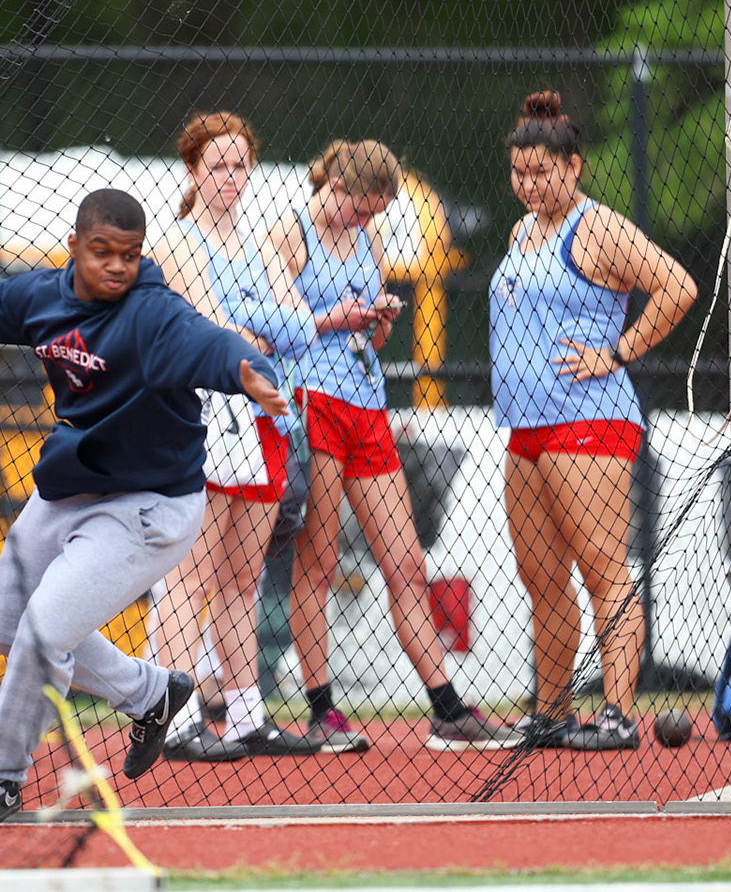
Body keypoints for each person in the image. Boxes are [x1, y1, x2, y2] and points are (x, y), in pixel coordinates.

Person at [0, 188, 290, 822]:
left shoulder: (152, 314)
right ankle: (150, 692)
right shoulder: (41, 298)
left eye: (129, 255)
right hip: (68, 491)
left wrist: (250, 371)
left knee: (43, 634)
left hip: (148, 507)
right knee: (2, 630)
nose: (117, 267)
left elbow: (209, 343)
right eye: (102, 253)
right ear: (74, 248)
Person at [269, 140, 511, 753]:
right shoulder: (289, 233)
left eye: (376, 213)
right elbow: (286, 325)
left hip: (366, 402)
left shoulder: (367, 239)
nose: (366, 222)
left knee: (405, 562)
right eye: (361, 209)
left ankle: (447, 707)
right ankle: (323, 709)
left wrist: (377, 322)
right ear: (339, 188)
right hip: (312, 402)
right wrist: (337, 319)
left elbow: (367, 340)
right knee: (318, 562)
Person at [488, 91, 696, 752]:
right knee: (542, 578)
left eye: (541, 173)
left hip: (589, 420)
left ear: (573, 167)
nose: (529, 184)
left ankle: (614, 713)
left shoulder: (597, 227)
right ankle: (551, 713)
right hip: (526, 426)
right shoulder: (521, 231)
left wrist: (617, 352)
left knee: (603, 569)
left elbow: (677, 286)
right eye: (520, 173)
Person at [150, 112, 319, 761]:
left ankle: (247, 716)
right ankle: (176, 715)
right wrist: (262, 326)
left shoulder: (263, 247)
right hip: (209, 418)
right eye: (217, 165)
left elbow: (299, 326)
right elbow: (220, 333)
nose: (230, 177)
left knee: (244, 576)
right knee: (189, 575)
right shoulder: (180, 242)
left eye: (239, 165)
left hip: (266, 416)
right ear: (194, 170)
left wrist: (258, 326)